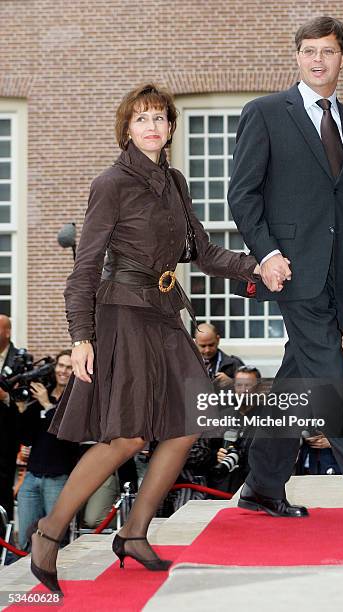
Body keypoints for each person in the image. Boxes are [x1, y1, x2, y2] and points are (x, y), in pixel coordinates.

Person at [28, 83, 259, 594]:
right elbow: (84, 267)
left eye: (159, 118)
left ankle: (134, 532)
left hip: (163, 311)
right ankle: (47, 534)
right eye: (141, 119)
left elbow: (203, 252)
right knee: (129, 436)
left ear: (171, 127)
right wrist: (81, 337)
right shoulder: (111, 183)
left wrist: (256, 266)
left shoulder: (175, 182)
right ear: (127, 129)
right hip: (121, 314)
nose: (152, 126)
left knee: (189, 421)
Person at [228, 16, 343, 527]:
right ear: (297, 56)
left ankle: (262, 486)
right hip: (292, 274)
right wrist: (266, 254)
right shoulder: (264, 113)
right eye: (308, 50)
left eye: (327, 51)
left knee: (298, 379)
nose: (317, 60)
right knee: (330, 377)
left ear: (341, 57)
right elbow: (241, 195)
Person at [17, 350, 79, 550]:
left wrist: (47, 405)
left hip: (57, 477)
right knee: (26, 535)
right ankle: (24, 577)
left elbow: (67, 437)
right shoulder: (43, 392)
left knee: (55, 537)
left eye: (69, 367)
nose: (63, 371)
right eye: (60, 365)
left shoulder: (76, 399)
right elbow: (27, 437)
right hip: (32, 475)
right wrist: (22, 408)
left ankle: (54, 571)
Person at [0, 315, 20, 526]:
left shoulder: (20, 360)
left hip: (6, 438)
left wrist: (5, 397)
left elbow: (25, 400)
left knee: (3, 490)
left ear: (7, 332)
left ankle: (4, 542)